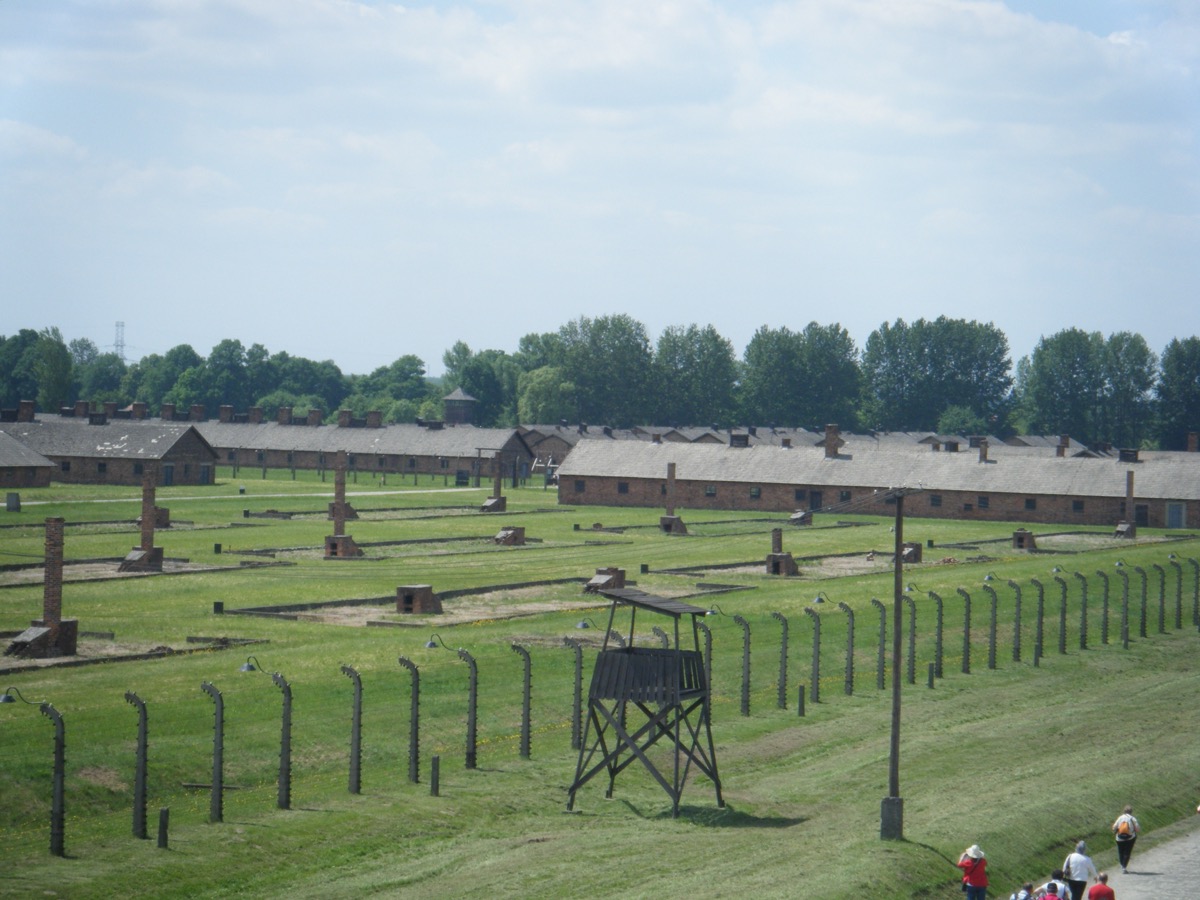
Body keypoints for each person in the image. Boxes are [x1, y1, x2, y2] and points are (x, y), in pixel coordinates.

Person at [1111, 805, 1140, 872]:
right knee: (1127, 852)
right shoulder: (1133, 819)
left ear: (1124, 811)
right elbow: (1138, 829)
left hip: (1119, 838)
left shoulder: (1120, 818)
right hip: (1130, 838)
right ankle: (1124, 866)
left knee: (1121, 852)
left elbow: (1114, 827)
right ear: (1131, 812)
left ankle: (1122, 864)